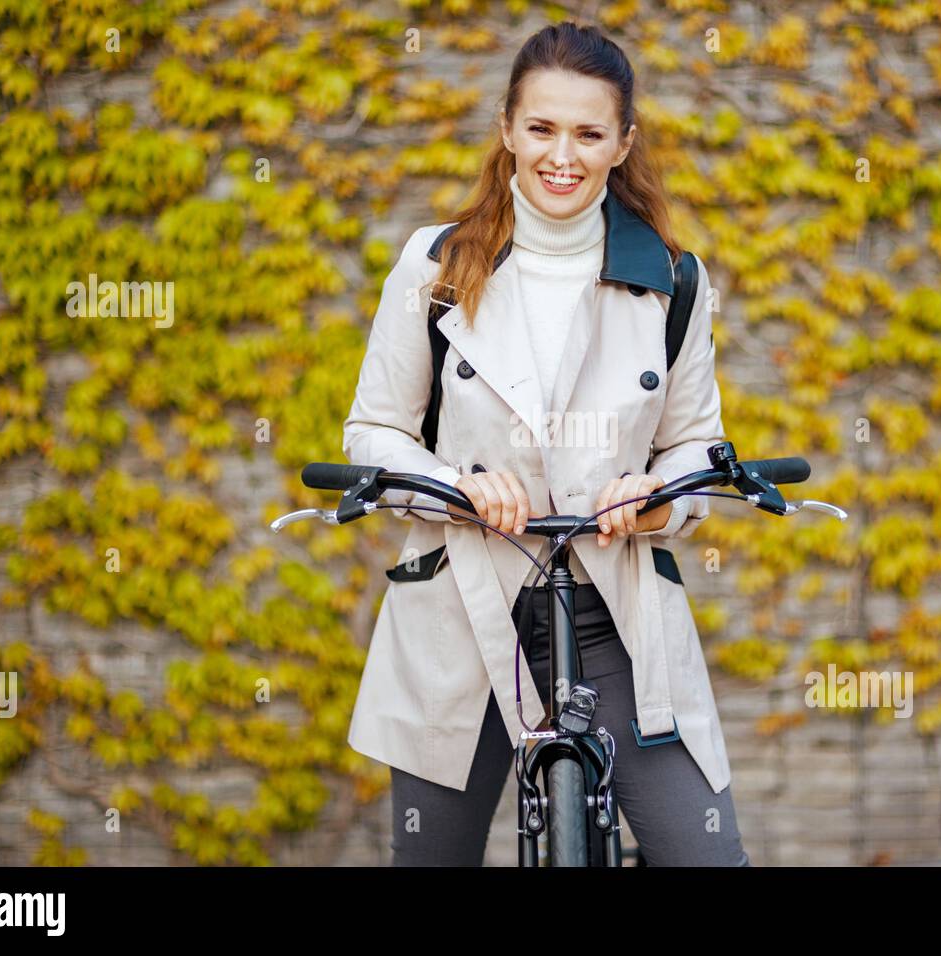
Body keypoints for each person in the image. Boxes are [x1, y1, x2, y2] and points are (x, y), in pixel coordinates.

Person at [343, 21, 749, 866]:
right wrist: (456, 484)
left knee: (705, 855)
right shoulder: (437, 264)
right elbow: (373, 435)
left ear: (622, 144)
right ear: (507, 129)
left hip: (613, 618)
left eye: (589, 133)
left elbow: (698, 452)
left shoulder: (672, 278)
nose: (562, 155)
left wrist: (651, 502)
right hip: (461, 610)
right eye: (542, 128)